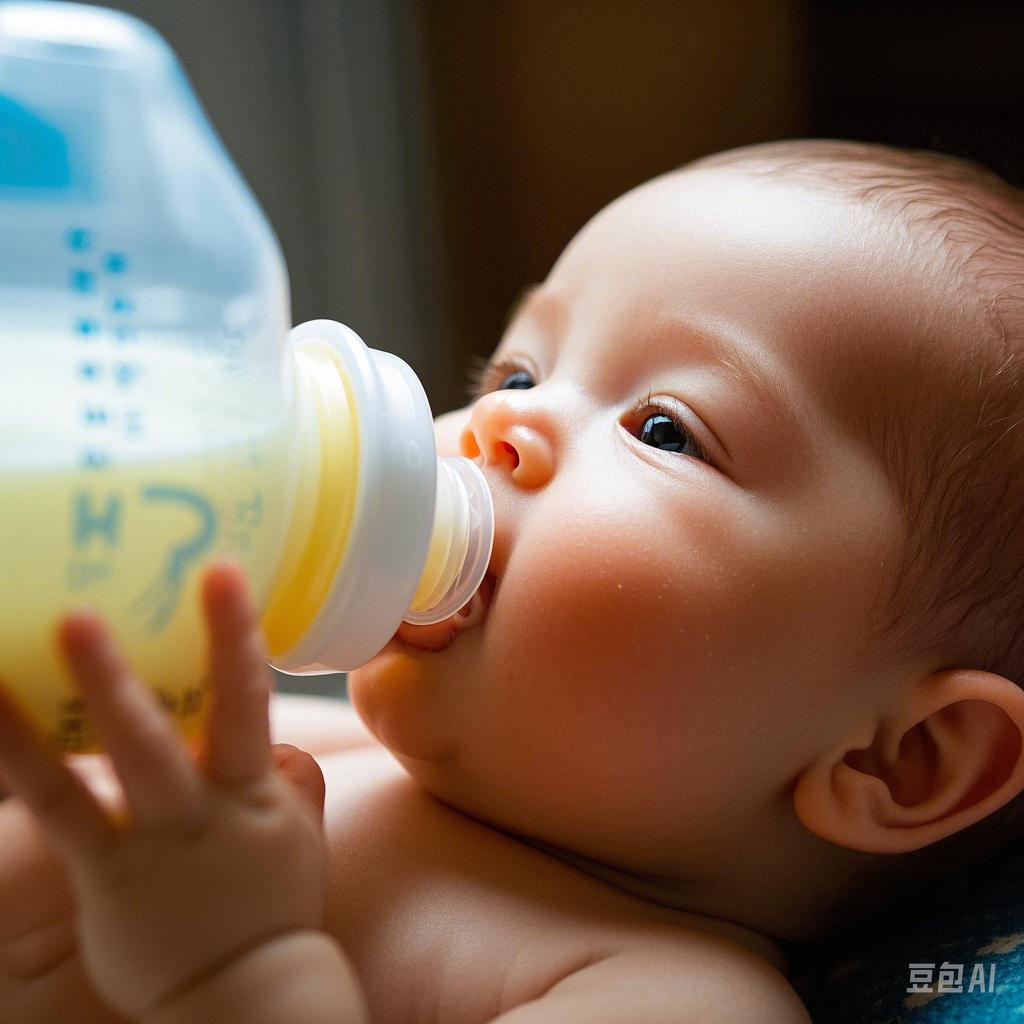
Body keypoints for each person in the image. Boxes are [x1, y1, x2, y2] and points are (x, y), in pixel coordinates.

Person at [2, 138, 1024, 1024]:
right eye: (519, 374)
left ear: (902, 760)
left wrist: (232, 977)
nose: (500, 426)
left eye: (665, 429)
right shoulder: (337, 745)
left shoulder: (664, 989)